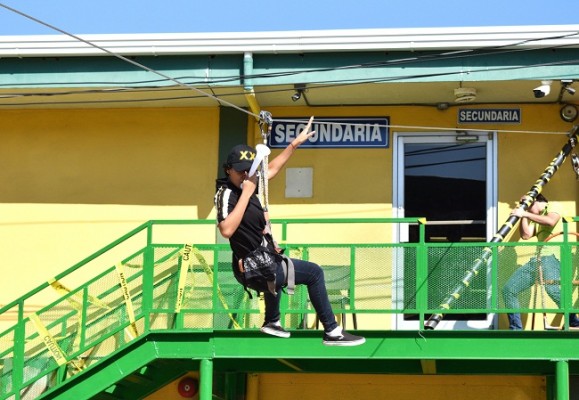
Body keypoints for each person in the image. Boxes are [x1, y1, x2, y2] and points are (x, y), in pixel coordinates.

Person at [214, 117, 365, 346]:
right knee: (314, 273)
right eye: (240, 172)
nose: (246, 176)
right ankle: (332, 331)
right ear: (228, 170)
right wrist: (246, 193)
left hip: (262, 263)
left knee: (276, 266)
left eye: (249, 172)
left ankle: (272, 322)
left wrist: (294, 145)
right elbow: (226, 229)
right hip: (252, 267)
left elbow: (271, 169)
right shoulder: (227, 194)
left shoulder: (251, 183)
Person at [502, 194, 579, 330]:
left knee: (551, 288)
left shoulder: (553, 206)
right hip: (536, 261)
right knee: (509, 289)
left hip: (551, 258)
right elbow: (525, 235)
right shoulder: (536, 219)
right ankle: (516, 329)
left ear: (536, 201)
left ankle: (573, 319)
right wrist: (524, 214)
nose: (526, 207)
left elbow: (550, 221)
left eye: (527, 204)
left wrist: (524, 212)